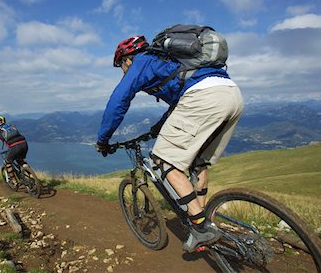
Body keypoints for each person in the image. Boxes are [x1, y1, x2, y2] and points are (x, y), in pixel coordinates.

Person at [96, 35, 244, 252]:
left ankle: (201, 228)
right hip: (231, 94)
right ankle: (201, 218)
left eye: (120, 65)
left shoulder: (141, 61)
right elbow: (178, 104)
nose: (122, 70)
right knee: (198, 163)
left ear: (127, 58)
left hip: (204, 97)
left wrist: (103, 139)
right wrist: (155, 130)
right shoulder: (168, 61)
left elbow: (118, 101)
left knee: (163, 161)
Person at [0, 116, 29, 183]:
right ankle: (31, 177)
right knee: (21, 161)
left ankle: (15, 181)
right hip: (24, 144)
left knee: (7, 163)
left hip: (14, 147)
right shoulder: (11, 126)